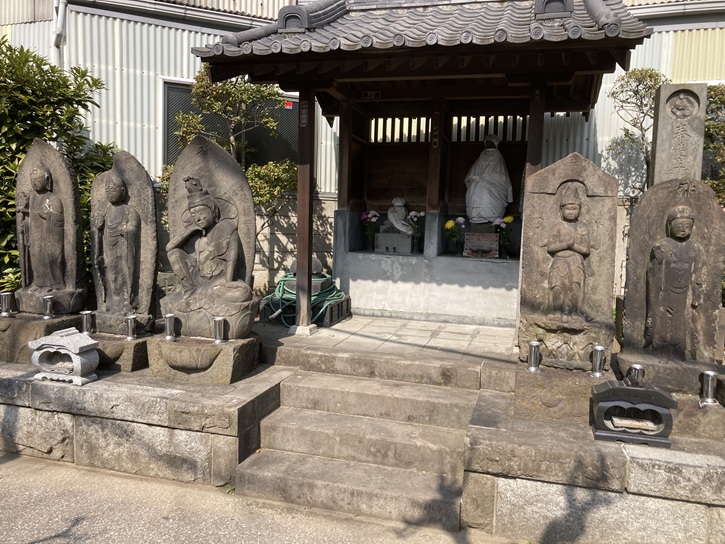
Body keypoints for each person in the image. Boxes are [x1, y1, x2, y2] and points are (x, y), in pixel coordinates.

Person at [166, 176, 252, 304]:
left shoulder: (228, 230)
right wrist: (189, 230)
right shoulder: (195, 236)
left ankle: (199, 299)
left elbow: (231, 259)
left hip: (220, 283)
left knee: (243, 293)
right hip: (198, 283)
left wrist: (228, 281)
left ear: (213, 211)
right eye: (193, 215)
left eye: (201, 213)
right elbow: (169, 248)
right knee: (174, 253)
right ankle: (190, 291)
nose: (198, 218)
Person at [645, 205, 704, 359]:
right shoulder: (663, 245)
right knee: (663, 315)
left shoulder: (696, 248)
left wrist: (697, 292)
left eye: (687, 225)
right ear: (669, 226)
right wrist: (656, 261)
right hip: (665, 290)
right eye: (679, 225)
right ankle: (660, 347)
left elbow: (699, 272)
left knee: (682, 317)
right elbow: (653, 271)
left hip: (685, 291)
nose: (683, 229)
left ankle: (680, 349)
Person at [93, 173, 141, 314]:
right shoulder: (107, 212)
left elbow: (134, 228)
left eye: (113, 189)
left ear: (123, 191)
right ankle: (114, 302)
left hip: (124, 249)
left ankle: (128, 301)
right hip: (109, 249)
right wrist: (98, 227)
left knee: (124, 274)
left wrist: (127, 230)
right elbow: (100, 230)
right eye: (107, 190)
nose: (110, 192)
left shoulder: (129, 211)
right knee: (112, 275)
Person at [546, 184, 590, 318]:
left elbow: (586, 250)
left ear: (580, 210)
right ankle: (556, 311)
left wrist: (573, 246)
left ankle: (574, 312)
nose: (571, 212)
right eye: (568, 209)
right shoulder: (557, 226)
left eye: (574, 208)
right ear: (561, 209)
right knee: (557, 286)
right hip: (559, 261)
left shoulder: (582, 227)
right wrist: (565, 244)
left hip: (576, 262)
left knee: (576, 286)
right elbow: (550, 247)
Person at [21, 167, 65, 291]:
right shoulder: (32, 198)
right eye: (32, 180)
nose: (34, 182)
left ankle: (52, 284)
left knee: (48, 258)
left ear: (46, 180)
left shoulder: (53, 198)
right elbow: (30, 218)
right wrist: (25, 225)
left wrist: (46, 214)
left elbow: (59, 219)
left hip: (48, 237)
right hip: (35, 236)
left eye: (37, 179)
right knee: (35, 257)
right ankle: (38, 283)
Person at [464, 134, 513, 223]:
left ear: (496, 144)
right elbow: (472, 173)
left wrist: (487, 180)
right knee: (477, 188)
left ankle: (490, 215)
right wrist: (475, 180)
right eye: (487, 142)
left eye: (491, 142)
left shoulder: (498, 157)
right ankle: (476, 215)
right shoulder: (481, 156)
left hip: (494, 186)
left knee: (483, 189)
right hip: (478, 184)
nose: (489, 144)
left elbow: (503, 176)